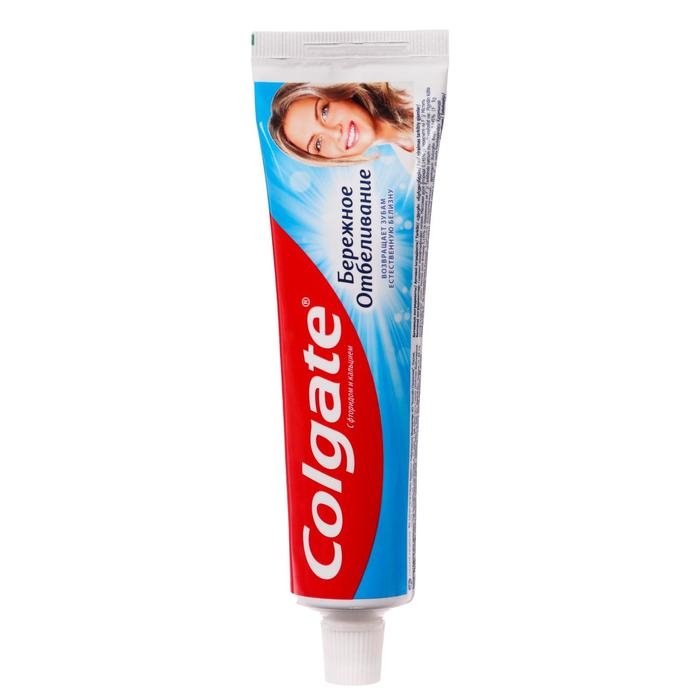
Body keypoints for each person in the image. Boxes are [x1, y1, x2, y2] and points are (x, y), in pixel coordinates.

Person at [269, 82, 414, 166]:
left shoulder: (410, 90)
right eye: (318, 144)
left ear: (336, 91)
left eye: (324, 112)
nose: (335, 133)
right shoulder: (410, 164)